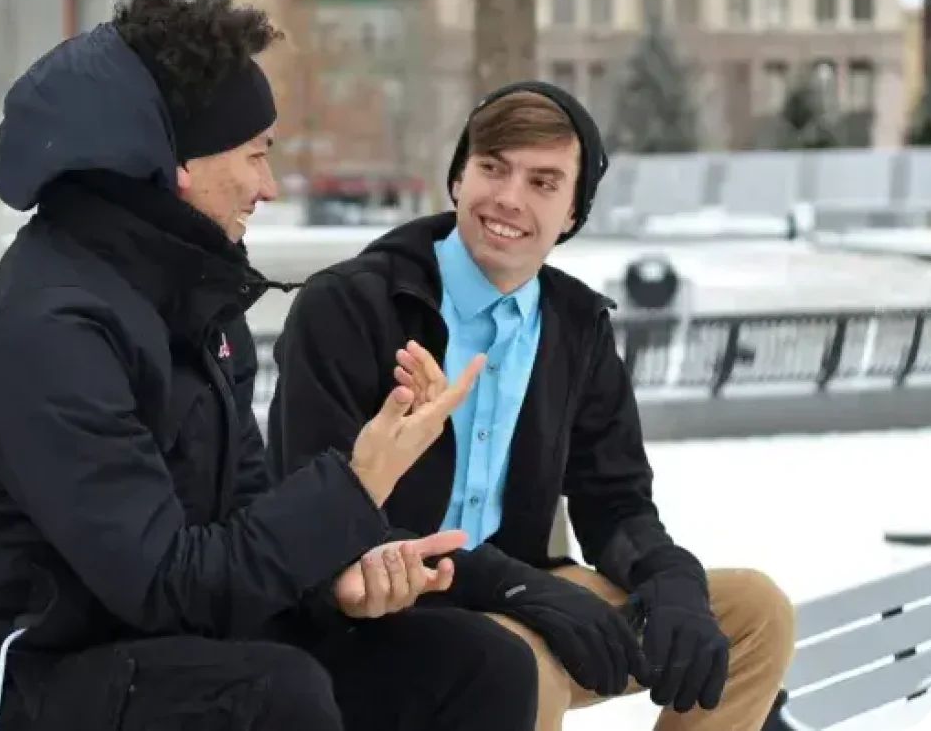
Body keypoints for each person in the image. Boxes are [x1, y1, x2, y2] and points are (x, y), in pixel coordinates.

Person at [0, 0, 539, 731]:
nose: (268, 185)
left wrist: (337, 579)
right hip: (0, 687)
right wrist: (361, 482)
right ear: (177, 164)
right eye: (256, 155)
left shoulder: (189, 305)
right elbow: (167, 582)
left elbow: (239, 522)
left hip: (145, 649)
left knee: (476, 667)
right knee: (270, 694)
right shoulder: (50, 327)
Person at [266, 82, 798, 731]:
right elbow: (314, 520)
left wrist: (671, 579)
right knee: (519, 665)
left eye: (544, 182)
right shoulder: (352, 307)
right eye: (493, 168)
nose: (509, 199)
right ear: (458, 177)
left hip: (524, 595)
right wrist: (518, 588)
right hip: (378, 609)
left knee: (755, 613)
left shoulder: (574, 326)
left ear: (573, 212)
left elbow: (616, 499)